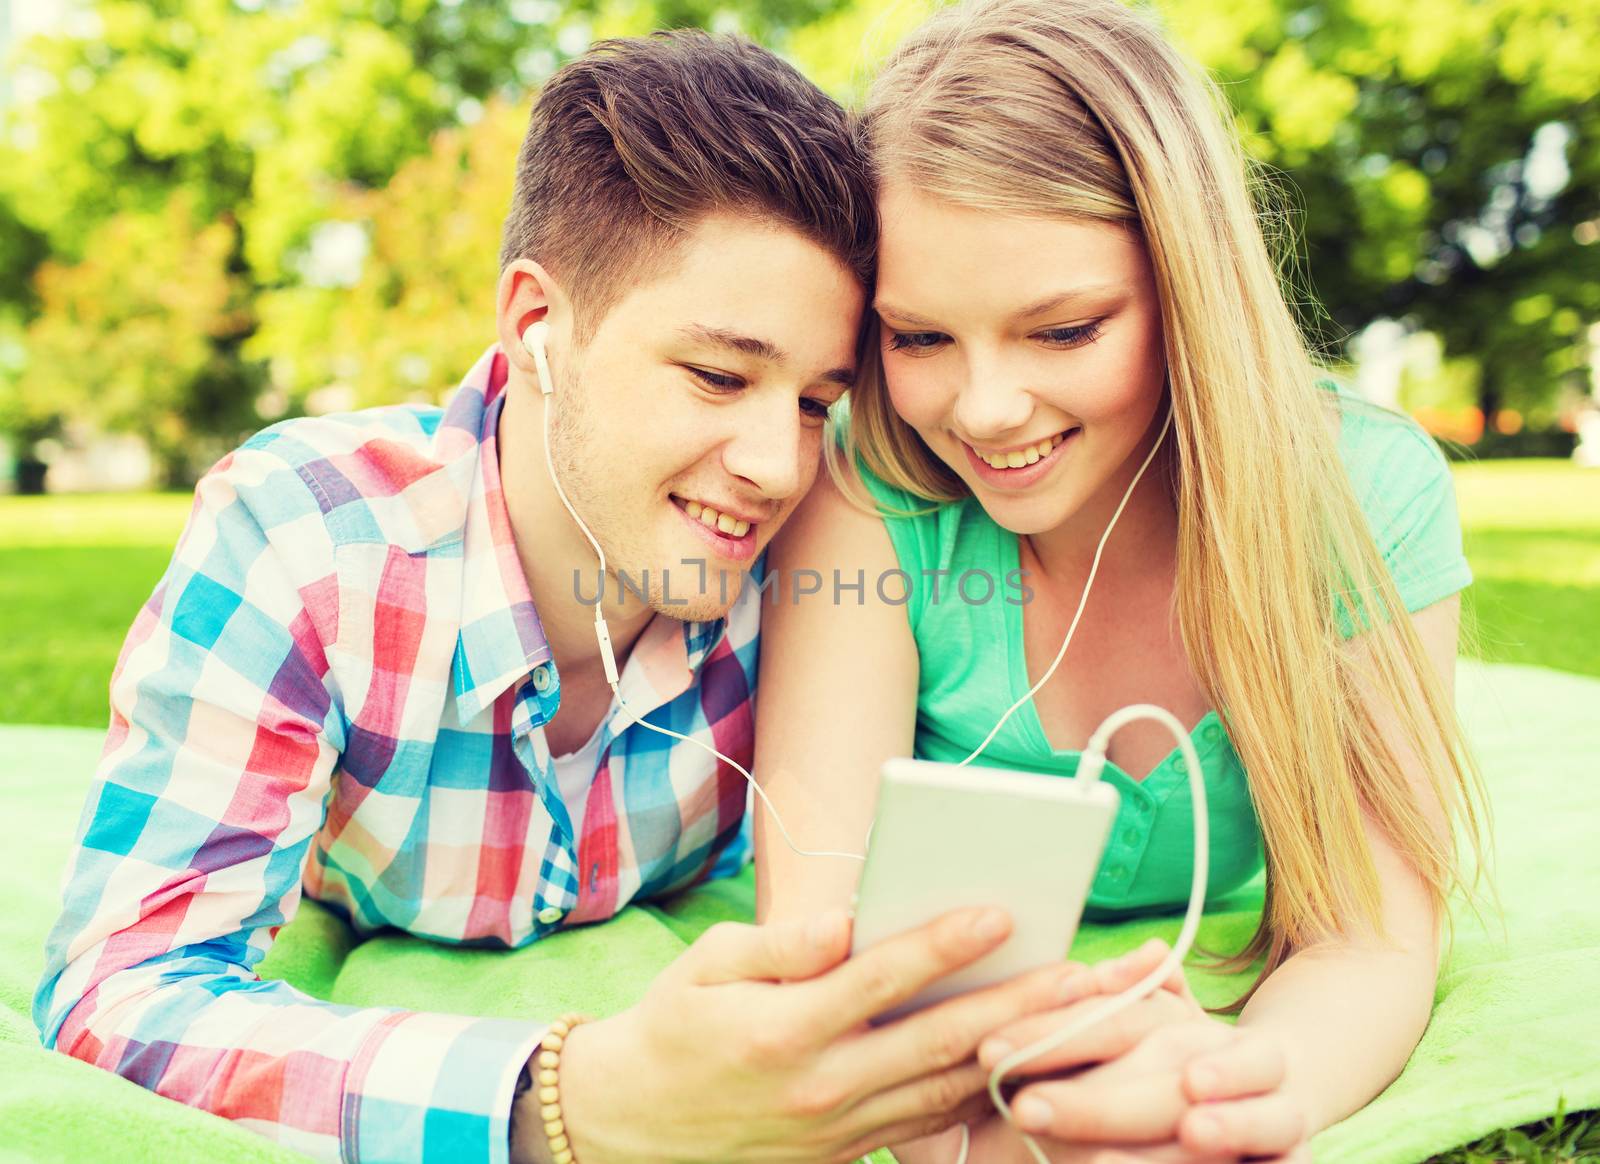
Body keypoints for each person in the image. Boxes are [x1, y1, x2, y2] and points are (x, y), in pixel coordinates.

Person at [33, 31, 1106, 1164]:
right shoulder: (304, 539)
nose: (774, 465)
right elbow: (122, 990)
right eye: (716, 375)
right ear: (537, 325)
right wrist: (564, 1100)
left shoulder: (826, 551)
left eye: (811, 401)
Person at [754, 0, 1490, 1161]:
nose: (985, 410)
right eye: (920, 338)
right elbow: (820, 922)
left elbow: (1369, 935)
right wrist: (975, 1128)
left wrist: (1226, 1085)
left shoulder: (1361, 494)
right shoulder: (867, 498)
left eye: (1063, 331)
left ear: (1188, 295)